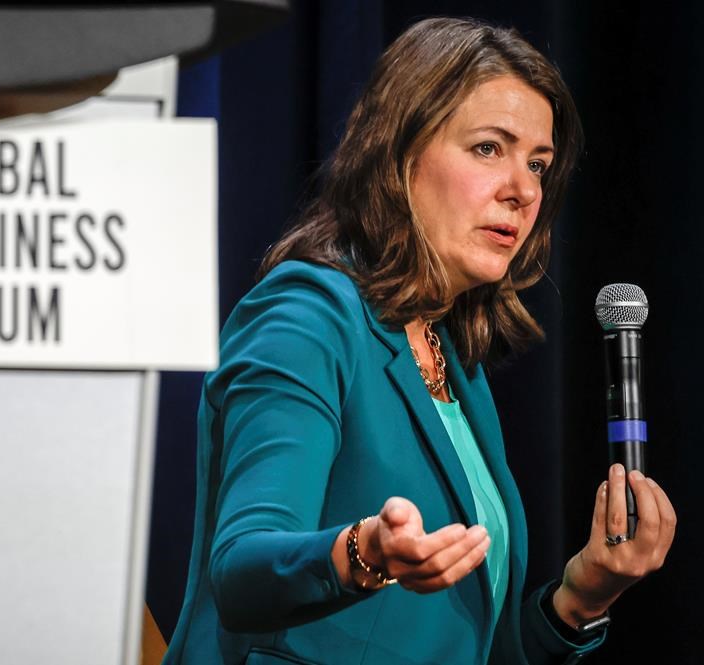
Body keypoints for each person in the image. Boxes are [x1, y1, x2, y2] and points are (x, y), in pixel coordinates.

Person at [161, 16, 676, 665]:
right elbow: (241, 571)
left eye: (538, 164)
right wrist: (364, 552)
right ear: (400, 154)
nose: (524, 190)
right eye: (488, 148)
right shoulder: (306, 317)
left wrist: (580, 596)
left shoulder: (452, 357)